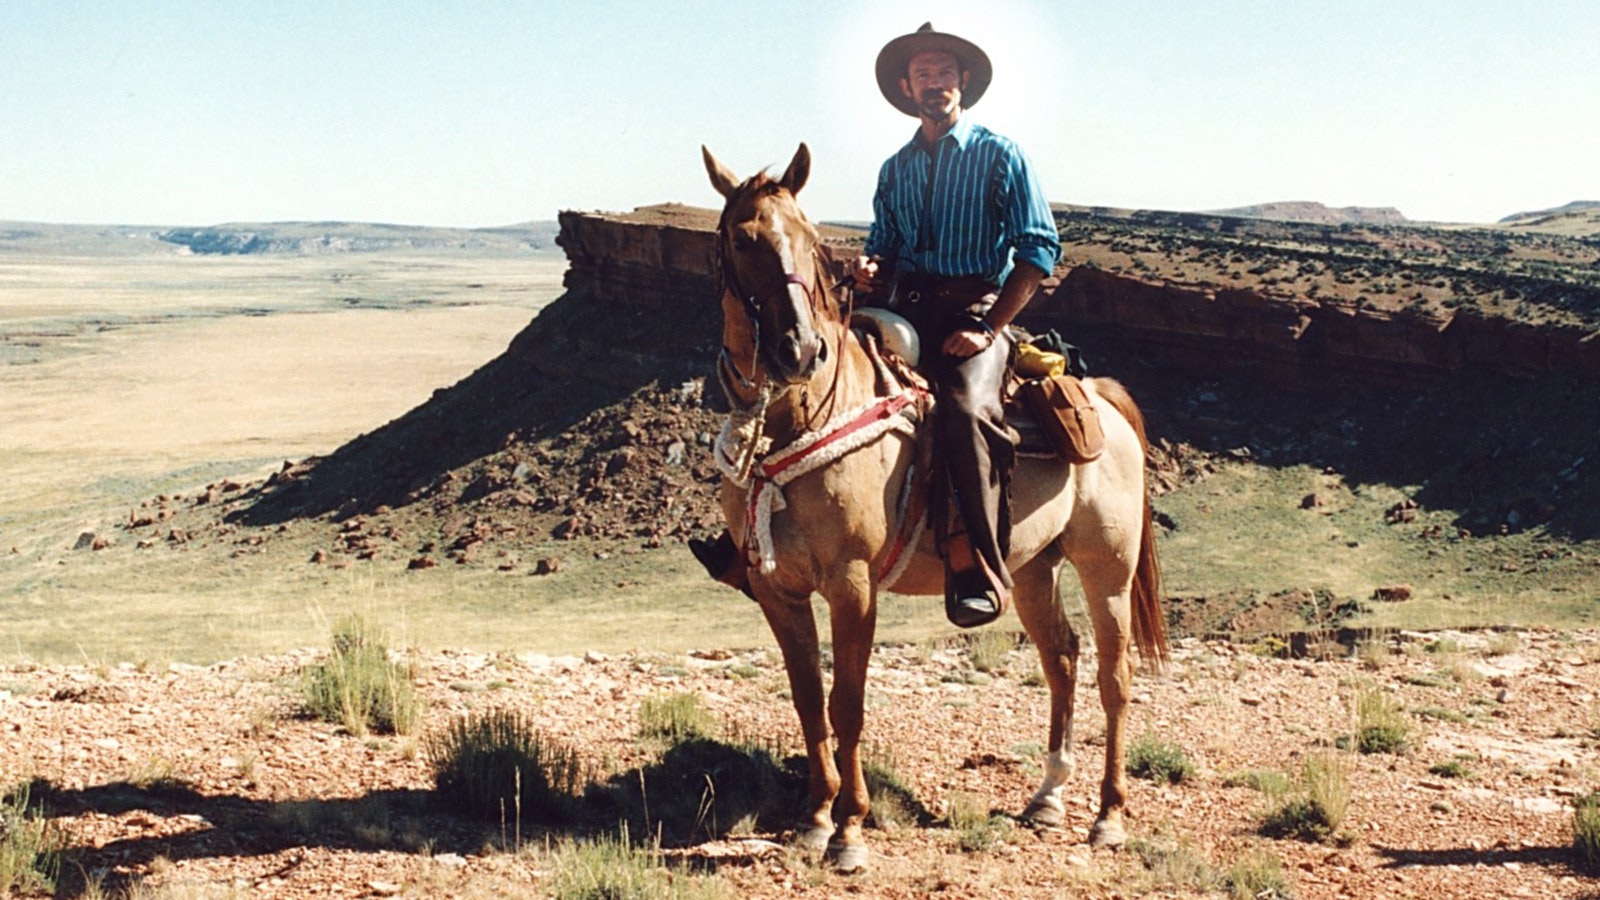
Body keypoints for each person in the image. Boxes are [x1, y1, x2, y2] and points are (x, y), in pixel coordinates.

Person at [852, 23, 1062, 628]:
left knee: (966, 409)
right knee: (822, 373)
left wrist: (991, 329)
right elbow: (882, 246)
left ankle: (976, 566)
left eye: (944, 72)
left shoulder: (1001, 154)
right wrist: (870, 267)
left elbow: (1038, 251)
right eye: (923, 74)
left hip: (974, 310)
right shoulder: (895, 169)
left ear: (962, 82)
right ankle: (769, 543)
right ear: (905, 86)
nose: (934, 82)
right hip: (904, 309)